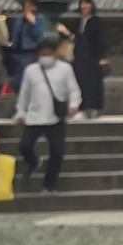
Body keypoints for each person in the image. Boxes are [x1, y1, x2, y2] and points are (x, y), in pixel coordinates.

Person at [16, 39, 80, 191]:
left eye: (48, 53)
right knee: (25, 146)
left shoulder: (65, 69)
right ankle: (33, 162)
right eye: (42, 54)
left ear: (55, 53)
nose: (45, 56)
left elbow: (74, 89)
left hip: (56, 117)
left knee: (57, 151)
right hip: (35, 117)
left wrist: (73, 105)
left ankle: (49, 184)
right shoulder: (31, 70)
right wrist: (21, 111)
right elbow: (24, 93)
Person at [69, 0, 109, 119]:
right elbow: (75, 37)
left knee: (92, 83)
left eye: (87, 3)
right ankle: (81, 108)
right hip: (79, 57)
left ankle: (93, 108)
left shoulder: (97, 21)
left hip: (92, 57)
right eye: (82, 4)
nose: (84, 6)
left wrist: (102, 56)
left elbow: (100, 40)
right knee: (79, 81)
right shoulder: (78, 22)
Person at [6, 0, 45, 87]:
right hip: (17, 52)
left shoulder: (39, 18)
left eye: (29, 5)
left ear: (34, 7)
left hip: (30, 52)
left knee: (29, 79)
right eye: (25, 5)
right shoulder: (19, 19)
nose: (26, 7)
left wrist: (33, 23)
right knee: (16, 80)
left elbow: (39, 36)